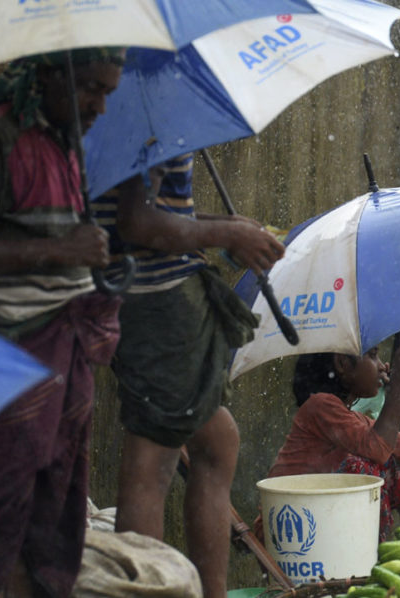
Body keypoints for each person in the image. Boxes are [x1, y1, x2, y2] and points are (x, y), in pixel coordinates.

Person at [0, 48, 127, 598]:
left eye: (108, 92)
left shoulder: (64, 144)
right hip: (8, 356)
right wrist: (62, 249)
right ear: (47, 76)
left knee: (56, 518)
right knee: (1, 513)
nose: (100, 106)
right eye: (91, 88)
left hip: (66, 354)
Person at [92, 152, 285, 598]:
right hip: (158, 301)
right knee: (152, 461)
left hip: (142, 296)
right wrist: (224, 231)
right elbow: (138, 223)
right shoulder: (149, 111)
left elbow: (150, 209)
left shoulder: (138, 108)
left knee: (216, 442)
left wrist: (230, 228)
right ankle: (142, 588)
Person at [267, 335, 400, 540]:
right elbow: (378, 448)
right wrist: (398, 381)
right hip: (291, 533)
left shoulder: (356, 423)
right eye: (373, 356)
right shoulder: (319, 407)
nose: (383, 366)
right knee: (367, 465)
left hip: (323, 532)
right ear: (342, 363)